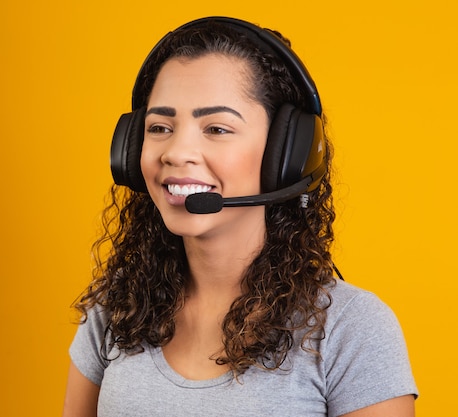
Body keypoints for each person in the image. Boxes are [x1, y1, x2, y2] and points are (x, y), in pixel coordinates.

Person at [63, 16, 418, 417]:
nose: (176, 152)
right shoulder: (115, 311)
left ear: (285, 156)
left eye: (216, 128)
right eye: (160, 126)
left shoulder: (352, 329)